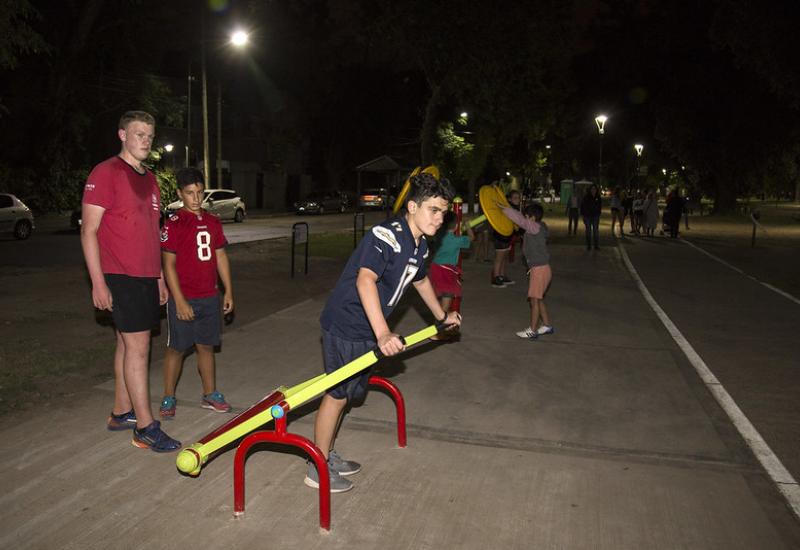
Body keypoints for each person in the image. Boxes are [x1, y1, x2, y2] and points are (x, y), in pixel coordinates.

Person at [309, 173, 462, 492]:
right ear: (412, 206)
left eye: (443, 212)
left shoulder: (420, 245)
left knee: (349, 394)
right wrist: (383, 333)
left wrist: (441, 317)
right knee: (337, 395)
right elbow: (365, 280)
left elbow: (420, 280)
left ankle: (327, 453)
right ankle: (317, 467)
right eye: (434, 210)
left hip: (367, 328)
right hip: (347, 322)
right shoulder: (386, 235)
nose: (440, 218)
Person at [80, 110, 181, 453]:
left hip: (145, 275)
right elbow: (89, 231)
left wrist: (159, 277)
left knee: (126, 344)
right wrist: (98, 282)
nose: (145, 141)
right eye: (139, 134)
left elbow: (151, 232)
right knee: (139, 348)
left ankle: (122, 411)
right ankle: (145, 427)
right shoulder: (106, 172)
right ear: (122, 135)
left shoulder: (150, 179)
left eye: (150, 136)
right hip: (120, 273)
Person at [158, 167, 234, 419]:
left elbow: (220, 257)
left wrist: (228, 291)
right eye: (190, 193)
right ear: (180, 193)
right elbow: (168, 265)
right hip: (184, 297)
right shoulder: (174, 223)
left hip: (208, 296)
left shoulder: (213, 222)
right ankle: (168, 396)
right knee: (177, 348)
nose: (196, 198)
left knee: (206, 346)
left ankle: (210, 394)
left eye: (200, 192)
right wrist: (179, 300)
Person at [499, 202, 554, 339]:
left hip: (539, 270)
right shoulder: (539, 227)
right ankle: (547, 325)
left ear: (532, 218)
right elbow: (520, 217)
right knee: (538, 299)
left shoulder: (534, 228)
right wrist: (507, 207)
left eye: (527, 217)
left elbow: (520, 220)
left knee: (534, 300)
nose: (525, 220)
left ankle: (532, 330)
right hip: (543, 269)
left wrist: (504, 209)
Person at [429, 211, 475, 319]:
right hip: (447, 271)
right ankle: (441, 321)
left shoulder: (436, 236)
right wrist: (468, 226)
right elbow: (471, 238)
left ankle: (439, 315)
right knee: (447, 295)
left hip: (435, 268)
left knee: (437, 294)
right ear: (456, 226)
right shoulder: (455, 240)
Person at [491, 189, 521, 287]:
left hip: (508, 236)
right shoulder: (506, 208)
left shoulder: (515, 208)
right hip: (500, 236)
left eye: (518, 198)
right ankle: (495, 279)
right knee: (499, 258)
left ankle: (502, 276)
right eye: (515, 198)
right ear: (509, 199)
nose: (517, 200)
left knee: (504, 258)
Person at [580, 184, 602, 250]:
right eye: (592, 189)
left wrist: (598, 213)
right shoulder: (586, 197)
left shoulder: (598, 197)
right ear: (590, 190)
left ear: (596, 190)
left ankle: (596, 245)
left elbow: (600, 206)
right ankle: (589, 245)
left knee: (595, 231)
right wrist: (583, 215)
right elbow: (582, 206)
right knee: (588, 231)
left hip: (595, 216)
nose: (593, 190)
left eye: (594, 189)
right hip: (587, 216)